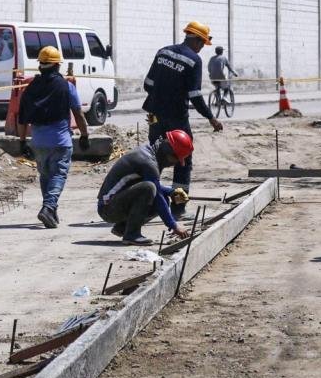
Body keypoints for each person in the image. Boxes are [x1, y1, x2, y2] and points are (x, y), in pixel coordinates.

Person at [142, 21, 223, 219]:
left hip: (154, 115)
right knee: (183, 158)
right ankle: (177, 209)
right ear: (195, 40)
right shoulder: (193, 60)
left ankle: (148, 203)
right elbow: (195, 95)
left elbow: (148, 84)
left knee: (154, 158)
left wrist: (161, 95)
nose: (202, 48)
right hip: (176, 117)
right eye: (202, 43)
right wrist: (211, 117)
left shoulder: (163, 52)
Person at [18, 45, 90, 229]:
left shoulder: (31, 87)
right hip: (60, 141)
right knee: (58, 175)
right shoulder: (66, 86)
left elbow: (22, 116)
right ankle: (48, 207)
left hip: (38, 142)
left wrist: (22, 141)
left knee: (45, 175)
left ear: (40, 65)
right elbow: (79, 114)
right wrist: (84, 135)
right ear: (58, 66)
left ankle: (50, 210)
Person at [97, 131, 193, 245]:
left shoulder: (152, 153)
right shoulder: (148, 162)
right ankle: (131, 234)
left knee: (160, 197)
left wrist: (172, 192)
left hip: (115, 202)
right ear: (168, 152)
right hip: (108, 209)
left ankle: (123, 228)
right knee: (150, 189)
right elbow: (155, 192)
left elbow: (153, 187)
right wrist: (174, 225)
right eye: (176, 159)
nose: (176, 164)